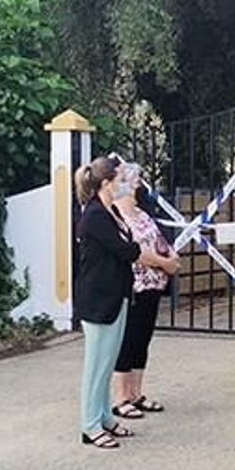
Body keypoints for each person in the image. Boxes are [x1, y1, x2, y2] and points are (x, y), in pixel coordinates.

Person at [75, 158, 171, 448]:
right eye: (119, 179)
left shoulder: (109, 212)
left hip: (116, 296)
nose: (125, 184)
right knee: (96, 367)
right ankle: (90, 424)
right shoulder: (94, 215)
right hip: (98, 300)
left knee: (106, 364)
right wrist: (153, 257)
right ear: (106, 183)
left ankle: (105, 417)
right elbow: (125, 250)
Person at [111, 164, 181, 420]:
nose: (139, 184)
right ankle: (120, 397)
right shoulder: (116, 216)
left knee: (143, 339)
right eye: (135, 179)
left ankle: (136, 393)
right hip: (133, 285)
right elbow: (132, 252)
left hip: (153, 284)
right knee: (127, 340)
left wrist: (171, 255)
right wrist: (164, 263)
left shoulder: (141, 212)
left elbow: (159, 239)